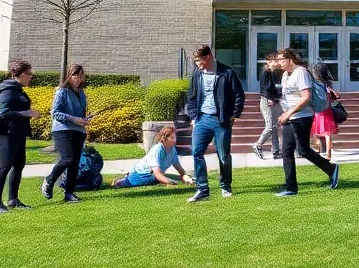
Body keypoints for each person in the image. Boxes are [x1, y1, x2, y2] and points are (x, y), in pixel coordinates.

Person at [185, 45, 245, 203]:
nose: (199, 64)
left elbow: (239, 95)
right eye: (197, 61)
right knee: (197, 153)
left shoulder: (227, 72)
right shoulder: (197, 74)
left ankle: (225, 186)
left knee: (223, 156)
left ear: (209, 56)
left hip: (221, 120)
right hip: (202, 119)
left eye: (201, 60)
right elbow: (191, 95)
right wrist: (193, 116)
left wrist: (234, 115)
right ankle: (202, 189)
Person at [275, 47, 339, 197]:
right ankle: (291, 187)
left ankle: (331, 169)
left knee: (303, 150)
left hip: (302, 117)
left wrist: (289, 112)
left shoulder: (301, 73)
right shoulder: (285, 74)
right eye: (278, 61)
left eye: (281, 60)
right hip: (289, 117)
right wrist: (284, 113)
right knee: (287, 151)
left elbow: (306, 97)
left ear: (289, 59)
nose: (279, 63)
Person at [0, 59, 42, 213]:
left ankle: (13, 199)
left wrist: (28, 113)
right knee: (4, 166)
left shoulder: (18, 90)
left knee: (19, 165)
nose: (31, 76)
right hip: (6, 133)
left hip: (18, 132)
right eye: (29, 73)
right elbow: (4, 112)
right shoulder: (8, 90)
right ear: (18, 74)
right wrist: (28, 113)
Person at [43, 63, 92, 203]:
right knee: (67, 158)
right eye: (75, 75)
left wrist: (84, 120)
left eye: (80, 75)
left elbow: (80, 113)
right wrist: (74, 119)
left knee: (74, 163)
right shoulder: (62, 91)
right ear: (69, 76)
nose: (78, 78)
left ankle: (69, 193)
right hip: (62, 130)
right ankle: (49, 180)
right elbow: (56, 113)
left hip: (78, 131)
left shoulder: (81, 93)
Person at [113, 125, 195, 189]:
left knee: (173, 178)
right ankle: (120, 180)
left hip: (155, 176)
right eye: (172, 137)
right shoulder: (157, 149)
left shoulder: (172, 150)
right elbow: (158, 175)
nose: (175, 140)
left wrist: (186, 177)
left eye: (175, 137)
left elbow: (179, 169)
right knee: (123, 184)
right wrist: (172, 183)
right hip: (142, 175)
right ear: (165, 138)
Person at [252, 53, 283, 160]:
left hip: (274, 100)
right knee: (270, 126)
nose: (277, 62)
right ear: (269, 61)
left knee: (275, 127)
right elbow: (265, 88)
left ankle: (276, 150)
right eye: (275, 60)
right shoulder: (266, 72)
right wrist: (270, 98)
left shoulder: (274, 72)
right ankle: (258, 144)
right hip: (267, 101)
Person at [310, 62, 339, 160]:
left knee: (319, 132)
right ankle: (328, 153)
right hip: (327, 109)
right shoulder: (327, 83)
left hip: (319, 110)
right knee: (327, 134)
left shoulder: (315, 83)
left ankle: (323, 151)